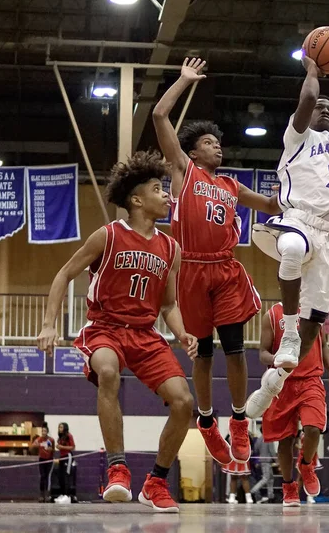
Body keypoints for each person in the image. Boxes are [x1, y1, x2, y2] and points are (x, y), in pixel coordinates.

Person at [37, 151, 198, 513]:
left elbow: (169, 306)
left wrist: (182, 333)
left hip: (145, 333)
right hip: (105, 328)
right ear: (137, 199)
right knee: (108, 371)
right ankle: (117, 469)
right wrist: (49, 324)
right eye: (159, 189)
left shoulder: (171, 248)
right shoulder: (107, 236)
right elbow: (64, 274)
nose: (168, 195)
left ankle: (155, 483)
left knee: (185, 402)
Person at [153, 58, 281, 467]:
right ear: (192, 151)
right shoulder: (183, 172)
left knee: (236, 350)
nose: (217, 146)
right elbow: (159, 114)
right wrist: (183, 81)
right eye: (209, 142)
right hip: (189, 270)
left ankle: (240, 420)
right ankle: (207, 423)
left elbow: (269, 205)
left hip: (225, 269)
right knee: (203, 356)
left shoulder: (229, 184)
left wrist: (289, 190)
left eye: (218, 143)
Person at [246, 57, 329, 419]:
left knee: (313, 328)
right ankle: (286, 331)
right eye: (320, 106)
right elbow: (306, 101)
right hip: (299, 218)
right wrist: (313, 72)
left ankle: (271, 385)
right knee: (290, 247)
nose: (323, 109)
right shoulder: (297, 136)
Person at [259, 302, 329, 507]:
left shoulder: (314, 311)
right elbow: (262, 354)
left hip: (311, 380)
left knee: (314, 428)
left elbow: (323, 345)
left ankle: (306, 465)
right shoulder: (271, 315)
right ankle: (289, 486)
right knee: (285, 440)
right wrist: (278, 358)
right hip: (282, 381)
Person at [224, 432, 254, 505]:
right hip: (236, 457)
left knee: (240, 478)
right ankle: (235, 497)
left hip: (239, 457)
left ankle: (245, 497)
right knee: (238, 478)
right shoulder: (232, 434)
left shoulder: (244, 433)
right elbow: (225, 444)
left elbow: (252, 446)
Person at [251, 428, 277, 503]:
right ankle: (253, 491)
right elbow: (272, 451)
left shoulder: (259, 439)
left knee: (271, 479)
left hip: (262, 461)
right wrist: (276, 460)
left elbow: (255, 450)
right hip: (267, 461)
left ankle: (270, 495)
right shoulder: (269, 439)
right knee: (266, 478)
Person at [53, 422, 76, 504]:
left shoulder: (69, 436)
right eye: (59, 427)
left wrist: (62, 447)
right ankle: (62, 494)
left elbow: (73, 447)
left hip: (68, 456)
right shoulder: (60, 437)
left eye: (61, 427)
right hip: (62, 457)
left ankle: (67, 495)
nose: (60, 429)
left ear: (65, 428)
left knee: (66, 476)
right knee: (60, 476)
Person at [32, 422, 55, 503]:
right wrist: (36, 445)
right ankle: (41, 495)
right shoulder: (39, 439)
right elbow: (33, 445)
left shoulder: (50, 440)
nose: (43, 433)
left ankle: (47, 495)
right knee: (42, 476)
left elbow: (52, 450)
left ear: (47, 432)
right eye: (42, 431)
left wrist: (50, 449)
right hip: (42, 459)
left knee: (48, 477)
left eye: (45, 431)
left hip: (49, 460)